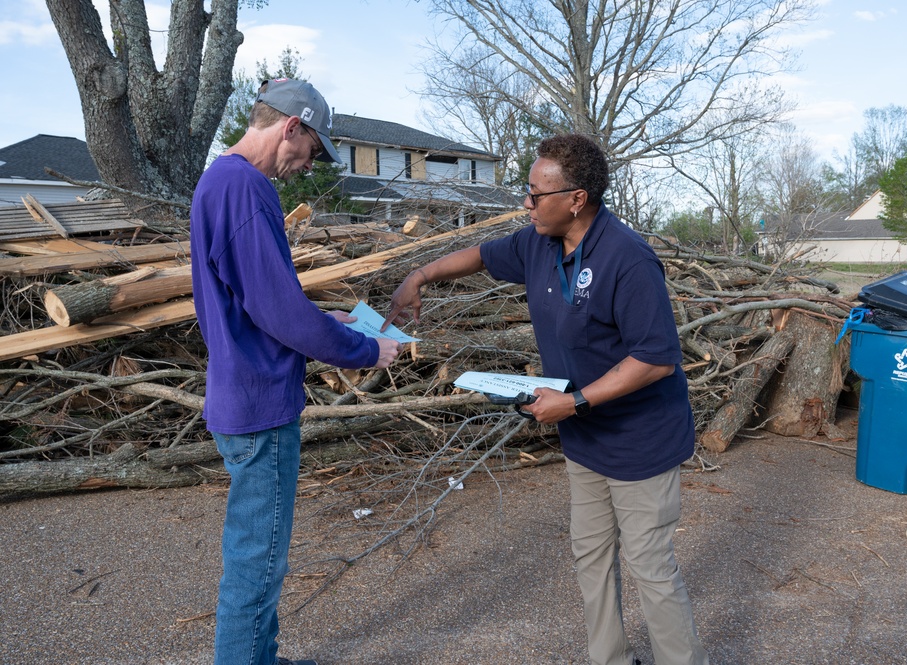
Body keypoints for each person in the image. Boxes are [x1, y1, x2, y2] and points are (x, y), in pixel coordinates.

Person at [384, 133, 709, 665]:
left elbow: (656, 359)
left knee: (651, 567)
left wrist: (576, 401)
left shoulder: (628, 259)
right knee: (591, 558)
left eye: (536, 194)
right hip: (585, 440)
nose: (526, 203)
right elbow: (482, 257)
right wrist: (419, 275)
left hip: (640, 441)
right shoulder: (538, 241)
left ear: (576, 198)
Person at [190, 78, 401, 665]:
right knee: (258, 561)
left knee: (258, 554)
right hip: (259, 406)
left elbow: (257, 300)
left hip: (240, 393)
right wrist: (364, 350)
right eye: (309, 151)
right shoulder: (245, 188)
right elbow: (278, 311)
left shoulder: (220, 182)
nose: (303, 166)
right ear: (291, 126)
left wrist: (324, 316)